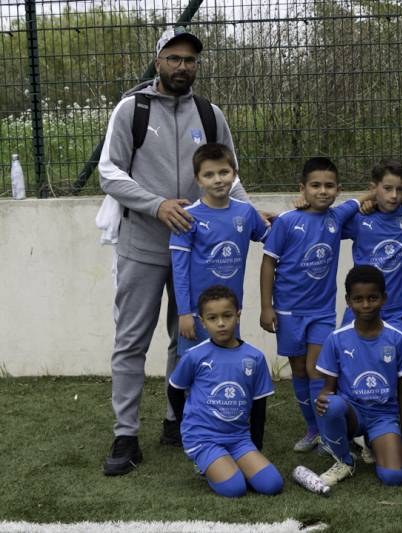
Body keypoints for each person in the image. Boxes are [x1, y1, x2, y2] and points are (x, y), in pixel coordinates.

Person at [99, 26, 258, 475]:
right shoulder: (132, 109)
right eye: (174, 58)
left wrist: (252, 215)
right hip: (143, 245)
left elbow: (230, 175)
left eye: (190, 60)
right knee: (131, 340)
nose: (182, 66)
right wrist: (158, 205)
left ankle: (178, 420)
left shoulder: (210, 114)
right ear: (158, 61)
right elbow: (109, 173)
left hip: (200, 251)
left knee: (187, 335)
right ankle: (125, 435)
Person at [260, 157, 367, 453]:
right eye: (315, 186)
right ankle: (312, 428)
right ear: (302, 189)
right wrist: (266, 306)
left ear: (338, 189)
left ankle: (326, 431)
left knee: (315, 368)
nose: (322, 191)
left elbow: (366, 197)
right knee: (298, 369)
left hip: (321, 312)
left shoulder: (337, 217)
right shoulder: (287, 221)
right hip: (288, 310)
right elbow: (269, 262)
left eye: (329, 186)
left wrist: (399, 201)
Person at [167, 285, 283, 498]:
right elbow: (174, 389)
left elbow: (259, 406)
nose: (220, 323)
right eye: (212, 318)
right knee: (235, 488)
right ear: (202, 321)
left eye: (227, 316)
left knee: (272, 485)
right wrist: (184, 422)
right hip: (203, 437)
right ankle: (206, 464)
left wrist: (255, 447)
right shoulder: (195, 356)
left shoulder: (255, 357)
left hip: (238, 438)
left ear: (238, 315)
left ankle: (228, 462)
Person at [169, 143, 270, 358]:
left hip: (230, 311)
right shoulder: (187, 217)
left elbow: (272, 239)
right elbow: (179, 269)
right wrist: (184, 313)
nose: (217, 179)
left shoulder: (246, 212)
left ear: (234, 174)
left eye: (224, 172)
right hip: (198, 314)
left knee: (227, 364)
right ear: (198, 179)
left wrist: (297, 216)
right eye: (209, 174)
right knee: (196, 368)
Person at [314, 265, 402, 486]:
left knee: (394, 477)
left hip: (383, 416)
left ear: (384, 299)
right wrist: (323, 400)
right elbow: (329, 387)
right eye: (358, 299)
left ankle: (371, 442)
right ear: (348, 300)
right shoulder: (337, 339)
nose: (366, 305)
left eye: (372, 298)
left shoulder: (397, 339)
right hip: (353, 413)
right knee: (332, 404)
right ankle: (344, 461)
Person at [341, 160, 402, 330]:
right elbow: (330, 220)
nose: (393, 195)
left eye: (400, 190)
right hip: (360, 307)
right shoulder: (360, 217)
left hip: (394, 310)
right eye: (387, 188)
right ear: (373, 188)